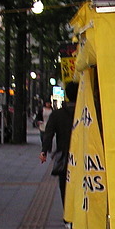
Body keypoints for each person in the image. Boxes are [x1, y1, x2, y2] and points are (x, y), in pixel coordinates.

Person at [40, 81, 78, 211]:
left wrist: (44, 151)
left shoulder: (57, 114)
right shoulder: (86, 112)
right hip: (83, 154)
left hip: (64, 154)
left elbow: (48, 133)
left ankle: (67, 213)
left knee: (64, 184)